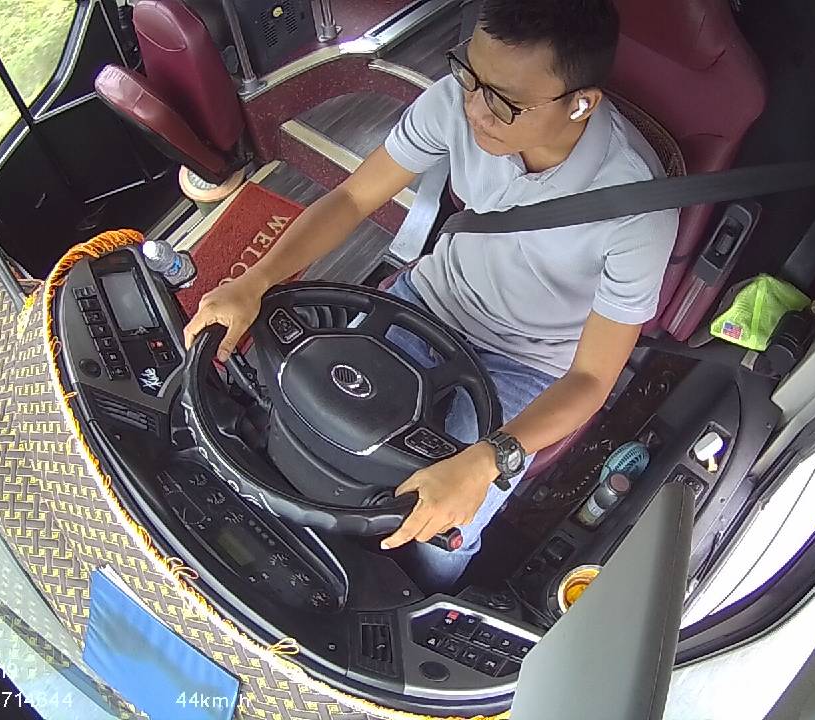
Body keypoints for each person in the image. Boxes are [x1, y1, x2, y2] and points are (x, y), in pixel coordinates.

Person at [184, 0, 677, 592]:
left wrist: (485, 460)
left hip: (529, 361)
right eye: (469, 74)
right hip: (429, 298)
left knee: (445, 519)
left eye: (504, 101)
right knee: (312, 416)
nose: (474, 110)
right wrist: (255, 280)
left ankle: (426, 595)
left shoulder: (636, 211)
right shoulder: (457, 101)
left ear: (581, 103)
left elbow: (591, 379)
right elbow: (353, 199)